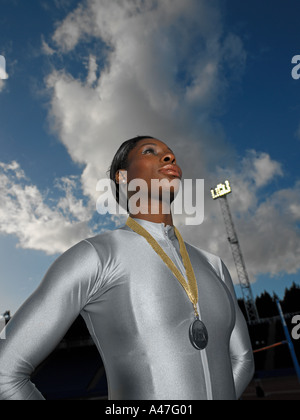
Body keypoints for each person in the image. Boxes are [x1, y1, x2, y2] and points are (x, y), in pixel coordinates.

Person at [0, 136, 254, 400]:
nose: (169, 157)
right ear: (122, 177)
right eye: (150, 151)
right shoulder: (95, 256)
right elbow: (4, 372)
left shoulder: (215, 266)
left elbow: (243, 359)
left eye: (170, 153)